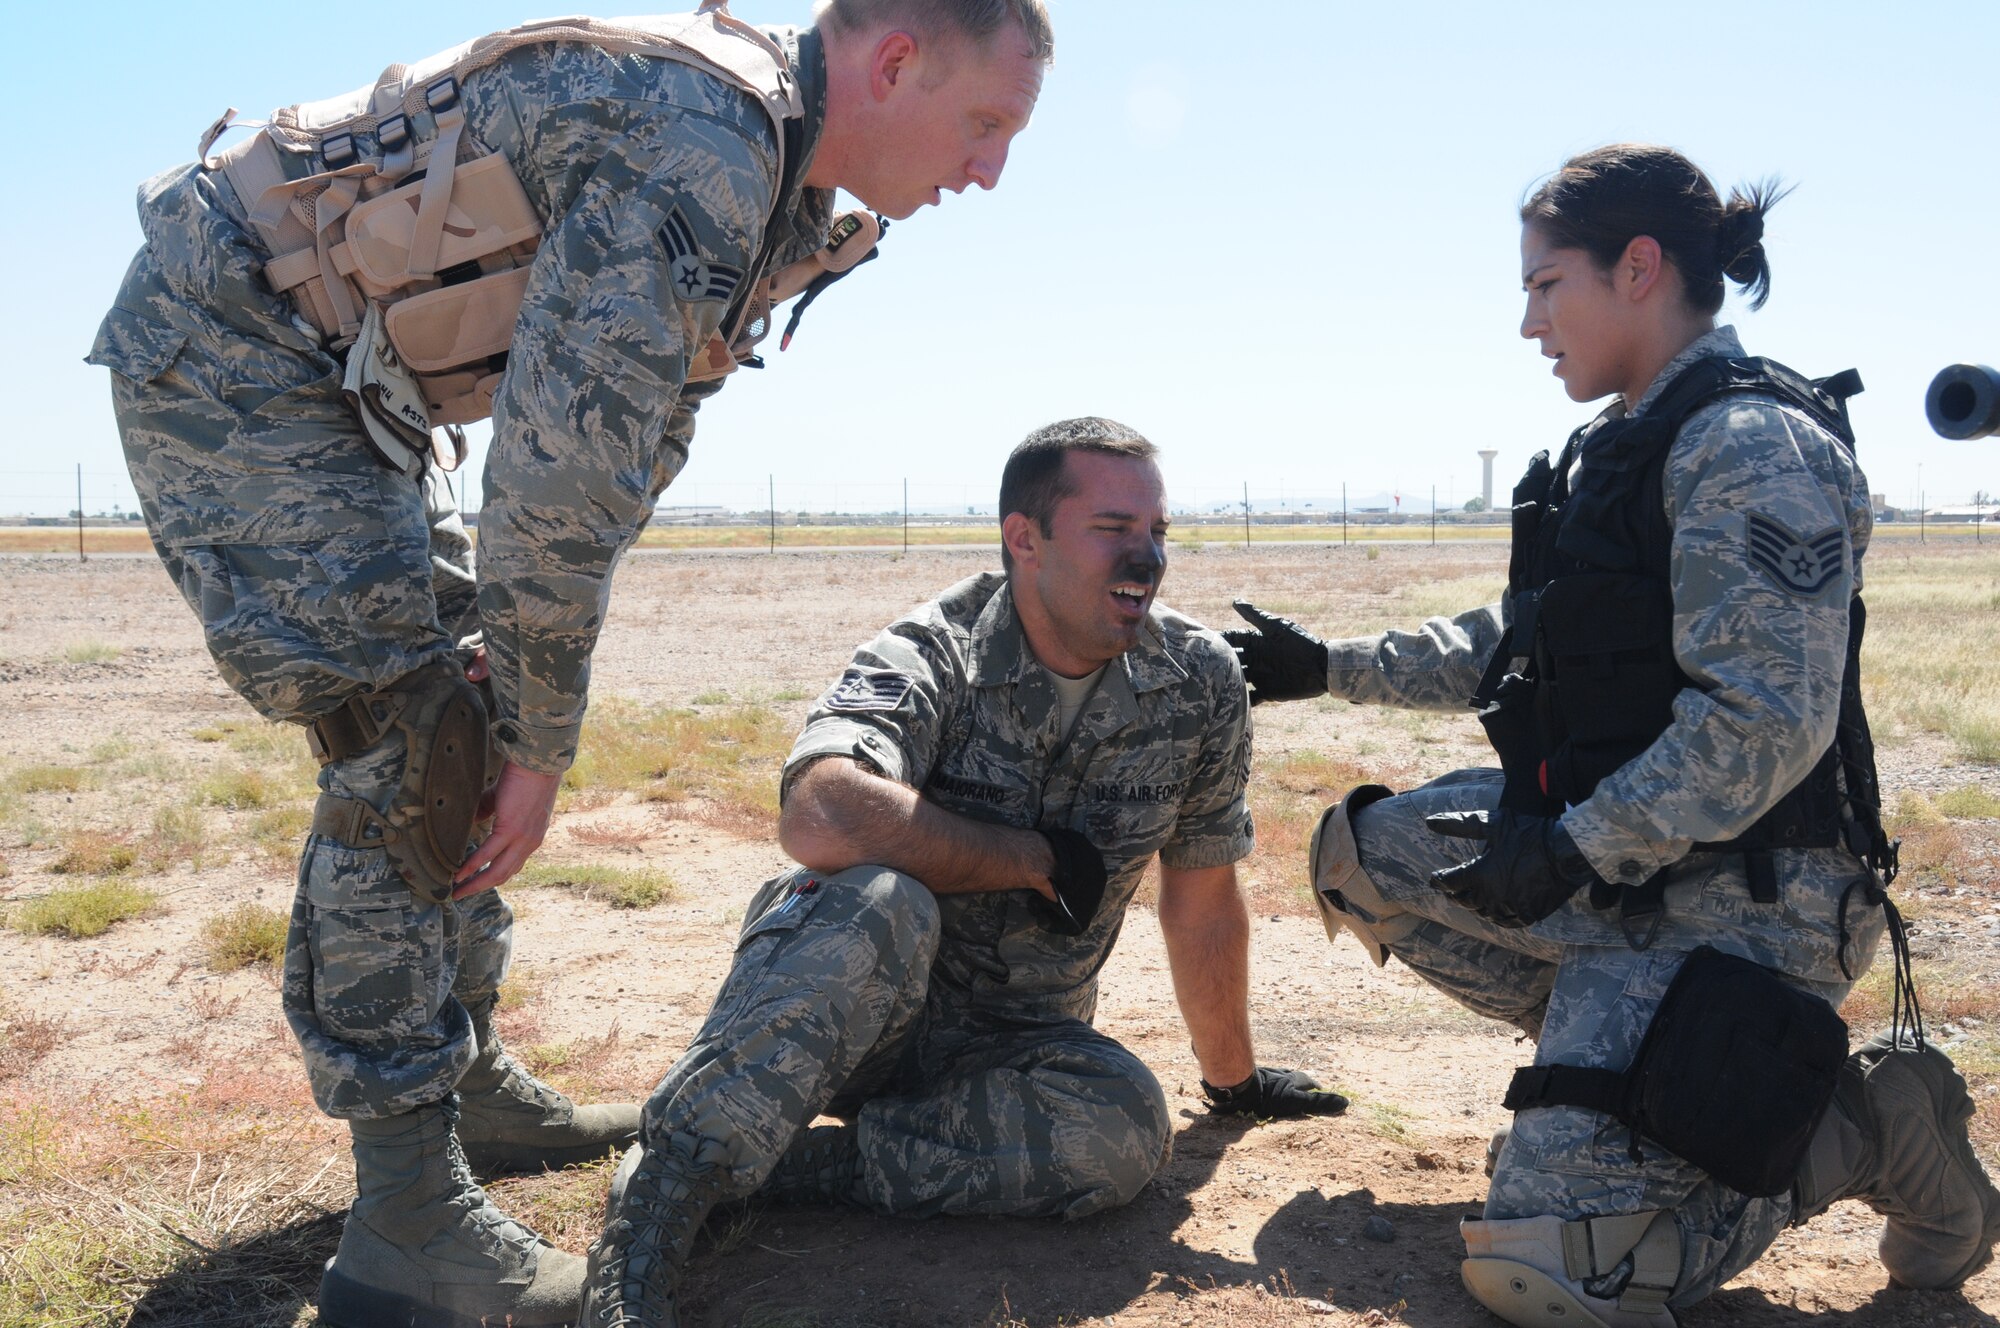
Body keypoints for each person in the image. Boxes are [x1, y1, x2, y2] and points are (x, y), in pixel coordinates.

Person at [84, 2, 1053, 1324]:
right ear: (893, 64)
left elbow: (637, 435)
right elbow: (552, 480)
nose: (991, 171)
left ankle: (466, 1076)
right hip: (234, 347)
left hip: (340, 375)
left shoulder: (786, 191)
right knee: (406, 737)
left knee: (471, 697)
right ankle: (408, 1225)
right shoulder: (700, 142)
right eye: (986, 124)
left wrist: (520, 688)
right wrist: (539, 741)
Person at [1226, 144, 2000, 1328]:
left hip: (1754, 894)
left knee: (1552, 1273)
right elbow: (1530, 639)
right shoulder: (1628, 441)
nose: (1528, 320)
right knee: (1363, 850)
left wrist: (1574, 845)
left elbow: (1764, 722)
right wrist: (1325, 668)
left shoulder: (1748, 443)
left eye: (1545, 285)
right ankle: (1637, 1062)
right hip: (1627, 870)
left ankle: (1856, 1127)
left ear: (1637, 269)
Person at [581, 418, 1347, 1326]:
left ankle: (810, 1171)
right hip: (865, 1021)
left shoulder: (1198, 680)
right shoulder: (932, 649)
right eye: (1113, 530)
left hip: (1018, 1046)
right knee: (875, 898)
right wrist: (1022, 858)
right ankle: (660, 1201)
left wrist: (1234, 1083)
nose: (1146, 559)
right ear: (1026, 539)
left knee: (1126, 1132)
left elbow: (1204, 891)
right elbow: (817, 807)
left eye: (1158, 533)